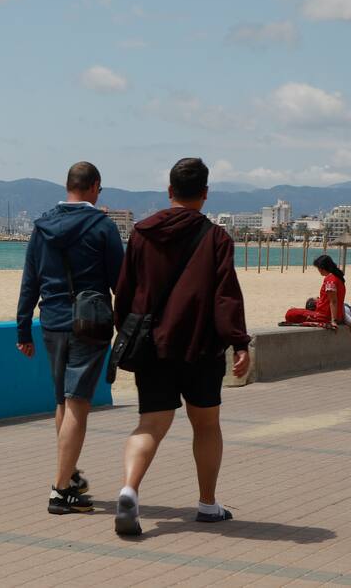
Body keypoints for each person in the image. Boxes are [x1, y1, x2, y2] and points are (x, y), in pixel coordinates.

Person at [112, 157, 252, 536]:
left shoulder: (142, 233)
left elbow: (125, 293)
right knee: (206, 425)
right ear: (205, 194)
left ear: (169, 191)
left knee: (151, 423)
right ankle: (208, 505)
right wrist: (239, 343)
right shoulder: (217, 237)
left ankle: (129, 489)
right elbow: (226, 297)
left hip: (152, 346)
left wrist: (124, 330)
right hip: (200, 347)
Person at [16, 161, 124, 515]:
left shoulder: (42, 226)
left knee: (63, 402)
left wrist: (22, 328)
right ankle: (61, 490)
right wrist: (126, 325)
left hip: (52, 322)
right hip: (89, 324)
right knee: (77, 403)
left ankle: (70, 474)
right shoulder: (103, 227)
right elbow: (120, 282)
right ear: (93, 187)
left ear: (68, 186)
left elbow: (30, 279)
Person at [284, 255, 347, 325]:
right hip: (336, 316)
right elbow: (339, 302)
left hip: (325, 316)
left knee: (290, 313)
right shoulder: (339, 278)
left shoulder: (330, 280)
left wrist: (333, 320)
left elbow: (333, 301)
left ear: (322, 268)